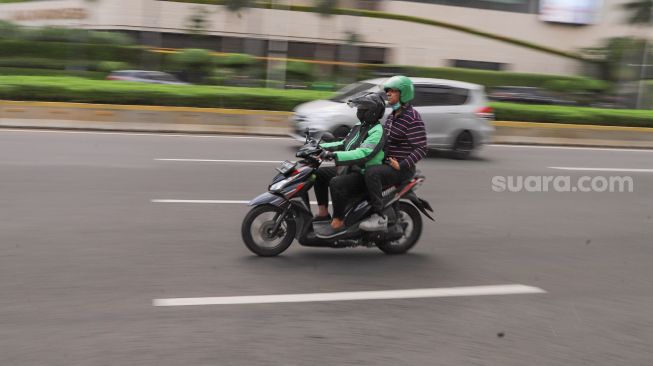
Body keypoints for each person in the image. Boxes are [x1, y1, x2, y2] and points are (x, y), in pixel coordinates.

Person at [312, 92, 387, 238]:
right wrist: (322, 147)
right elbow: (344, 143)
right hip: (350, 169)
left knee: (336, 183)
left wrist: (335, 155)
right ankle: (323, 213)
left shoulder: (377, 131)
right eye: (360, 108)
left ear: (373, 111)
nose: (359, 111)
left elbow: (363, 153)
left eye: (363, 109)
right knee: (319, 174)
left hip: (363, 174)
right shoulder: (360, 126)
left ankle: (338, 221)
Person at [359, 75, 427, 232]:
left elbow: (421, 148)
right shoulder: (392, 117)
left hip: (401, 169)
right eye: (387, 91)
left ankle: (380, 216)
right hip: (387, 163)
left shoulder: (412, 118)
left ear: (403, 94)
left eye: (392, 91)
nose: (388, 94)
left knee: (371, 173)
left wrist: (401, 164)